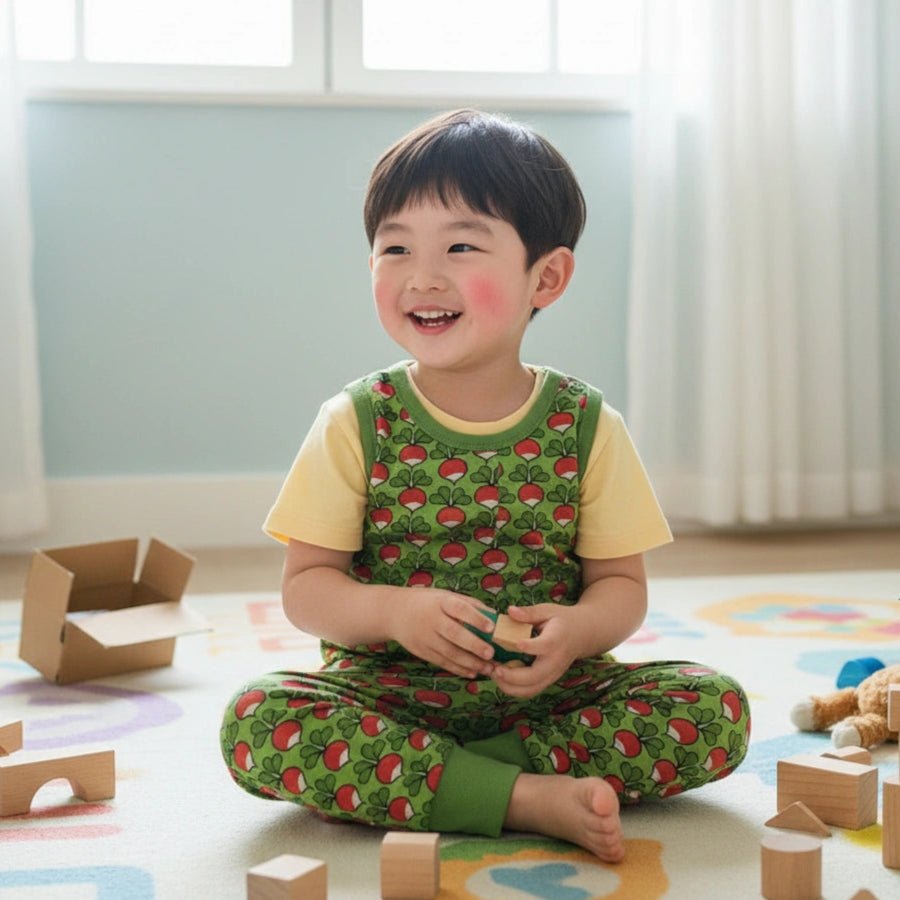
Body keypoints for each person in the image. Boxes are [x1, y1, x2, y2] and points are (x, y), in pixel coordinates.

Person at [220, 109, 750, 863]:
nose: (422, 276)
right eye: (394, 247)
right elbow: (308, 588)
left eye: (461, 246)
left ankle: (447, 786)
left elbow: (620, 589)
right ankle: (528, 798)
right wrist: (396, 612)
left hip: (548, 701)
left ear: (547, 276)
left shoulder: (587, 424)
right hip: (388, 696)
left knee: (713, 704)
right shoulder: (354, 422)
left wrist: (575, 635)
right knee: (257, 719)